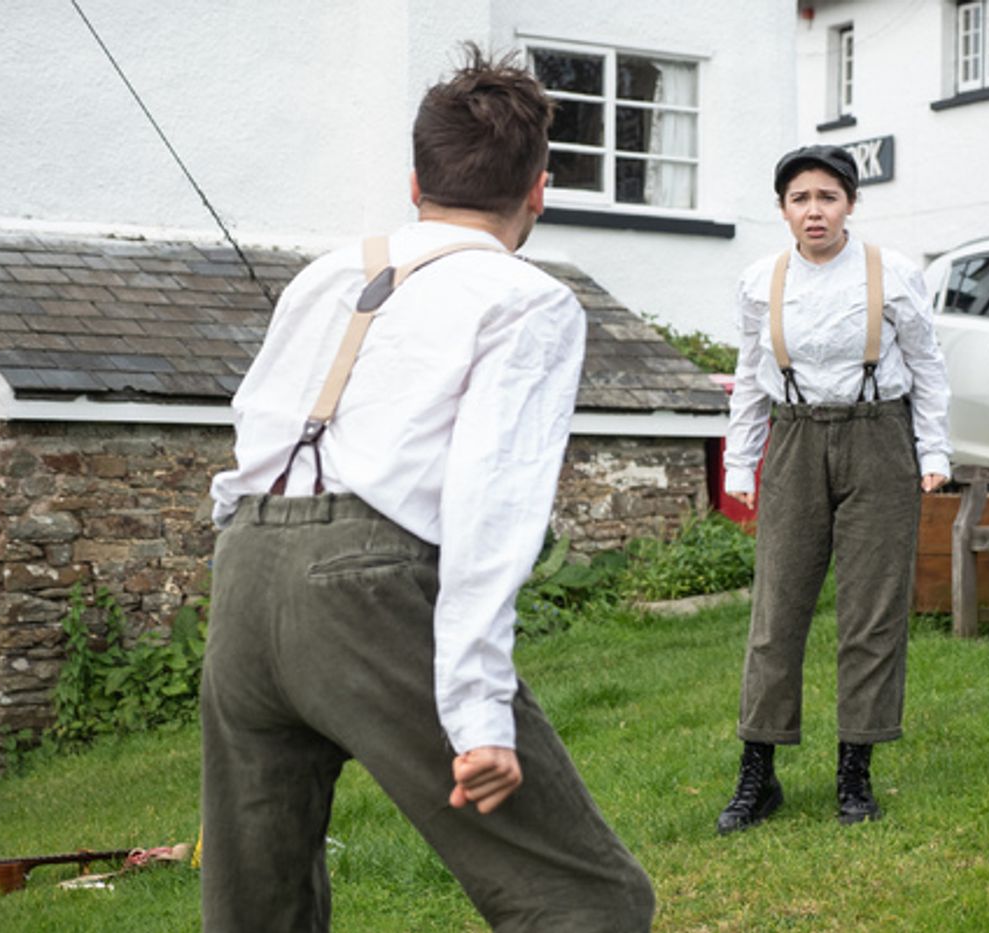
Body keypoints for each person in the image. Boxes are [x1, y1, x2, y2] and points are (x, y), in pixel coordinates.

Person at [200, 46, 655, 932]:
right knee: (588, 899)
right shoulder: (527, 300)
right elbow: (493, 504)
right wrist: (479, 712)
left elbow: (251, 426)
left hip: (244, 570)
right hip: (365, 584)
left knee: (257, 910)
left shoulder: (321, 274)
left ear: (417, 183)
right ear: (539, 191)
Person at [716, 144, 950, 834]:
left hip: (880, 439)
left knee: (871, 613)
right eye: (800, 198)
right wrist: (740, 461)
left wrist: (933, 449)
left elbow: (930, 366)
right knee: (776, 611)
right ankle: (758, 772)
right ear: (783, 209)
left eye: (827, 196)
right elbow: (749, 371)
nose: (814, 210)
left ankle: (856, 769)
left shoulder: (895, 273)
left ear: (850, 203)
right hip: (794, 442)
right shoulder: (762, 280)